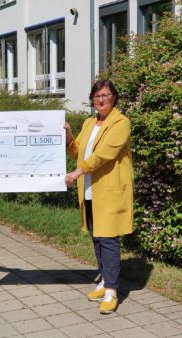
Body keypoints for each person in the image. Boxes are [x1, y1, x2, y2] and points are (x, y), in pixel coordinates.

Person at [64, 79, 133, 314]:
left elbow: (104, 154)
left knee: (109, 239)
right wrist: (68, 135)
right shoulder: (89, 123)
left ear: (114, 97)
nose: (101, 99)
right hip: (90, 189)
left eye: (105, 95)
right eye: (96, 96)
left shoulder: (121, 123)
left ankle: (112, 291)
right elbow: (78, 150)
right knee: (97, 237)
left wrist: (77, 172)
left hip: (109, 190)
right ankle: (105, 281)